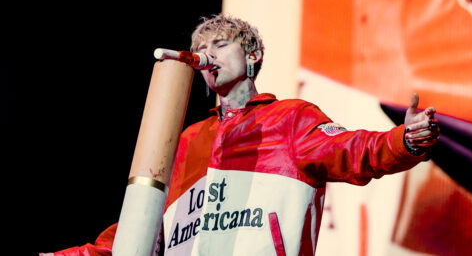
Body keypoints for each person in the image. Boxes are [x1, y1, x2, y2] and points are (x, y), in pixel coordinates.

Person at [45, 13, 439, 256]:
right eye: (201, 48)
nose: (208, 55)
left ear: (253, 56)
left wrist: (404, 139)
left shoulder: (290, 119)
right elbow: (138, 228)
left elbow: (352, 150)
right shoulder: (187, 141)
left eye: (220, 45)